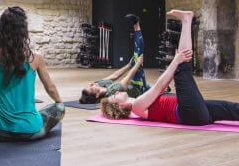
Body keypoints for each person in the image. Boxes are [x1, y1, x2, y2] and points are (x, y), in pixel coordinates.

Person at [101, 10, 239, 126]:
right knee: (181, 66)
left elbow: (163, 85)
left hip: (196, 113)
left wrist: (176, 62)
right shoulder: (136, 107)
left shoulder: (137, 102)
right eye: (114, 97)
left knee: (229, 108)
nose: (116, 93)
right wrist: (176, 61)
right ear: (118, 106)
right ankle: (186, 20)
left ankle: (186, 21)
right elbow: (159, 86)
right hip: (188, 112)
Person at [0, 6, 65, 141]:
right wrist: (59, 103)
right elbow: (51, 89)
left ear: (1, 30)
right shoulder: (36, 58)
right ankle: (27, 121)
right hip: (30, 132)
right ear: (24, 31)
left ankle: (2, 123)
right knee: (59, 108)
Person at [80, 14, 151, 104]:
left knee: (156, 88)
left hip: (133, 83)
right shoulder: (112, 93)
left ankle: (157, 89)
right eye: (90, 88)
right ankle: (136, 24)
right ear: (97, 95)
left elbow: (114, 76)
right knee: (138, 52)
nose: (91, 84)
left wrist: (128, 65)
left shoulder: (98, 85)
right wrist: (137, 64)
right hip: (138, 88)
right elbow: (127, 78)